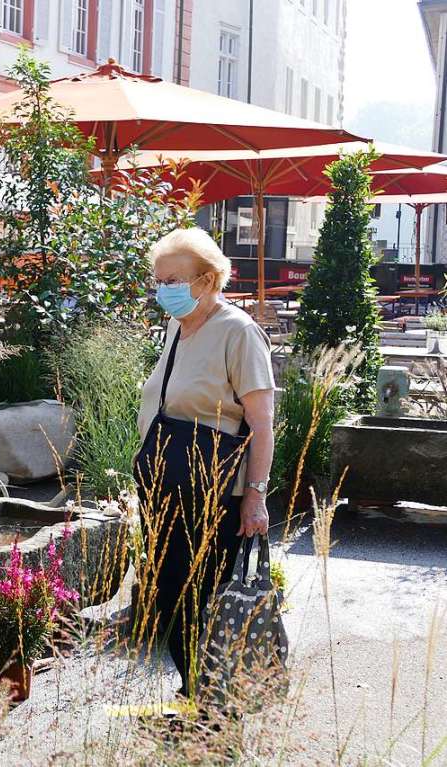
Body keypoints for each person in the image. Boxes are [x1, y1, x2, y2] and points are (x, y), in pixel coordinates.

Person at [136, 227, 275, 699]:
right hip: (165, 483)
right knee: (169, 594)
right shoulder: (178, 326)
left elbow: (262, 423)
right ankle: (198, 692)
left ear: (208, 279)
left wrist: (255, 496)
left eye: (173, 279)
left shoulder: (238, 332)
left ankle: (212, 702)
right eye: (158, 279)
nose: (163, 289)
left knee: (201, 599)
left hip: (214, 492)